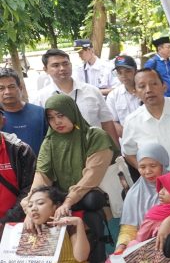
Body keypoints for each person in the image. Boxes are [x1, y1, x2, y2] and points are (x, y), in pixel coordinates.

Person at [24, 95, 116, 253]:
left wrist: (68, 201)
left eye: (61, 115)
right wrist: (31, 208)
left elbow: (91, 176)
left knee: (92, 201)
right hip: (63, 199)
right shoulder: (50, 140)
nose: (57, 122)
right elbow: (42, 176)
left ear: (72, 112)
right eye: (51, 118)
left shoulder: (95, 136)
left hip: (91, 195)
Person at [35, 49, 119, 147]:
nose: (62, 68)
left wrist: (116, 150)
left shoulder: (92, 91)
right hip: (64, 152)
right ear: (45, 69)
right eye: (56, 65)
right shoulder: (41, 98)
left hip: (96, 149)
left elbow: (107, 123)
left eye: (65, 64)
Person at [122, 69, 170, 172]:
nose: (149, 90)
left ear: (164, 86)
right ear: (135, 92)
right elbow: (129, 153)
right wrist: (146, 171)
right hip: (159, 182)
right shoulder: (132, 122)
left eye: (154, 84)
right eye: (142, 86)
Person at [0, 107, 35, 223]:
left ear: (3, 120)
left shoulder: (20, 149)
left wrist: (6, 221)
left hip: (15, 224)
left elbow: (29, 188)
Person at [0, 68, 46, 154]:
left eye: (11, 87)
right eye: (1, 88)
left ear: (20, 88)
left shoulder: (39, 113)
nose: (7, 92)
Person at [105, 55, 142, 138]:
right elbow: (113, 122)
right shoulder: (113, 96)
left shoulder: (146, 91)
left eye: (128, 71)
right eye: (119, 72)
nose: (123, 75)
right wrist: (130, 139)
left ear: (136, 71)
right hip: (126, 141)